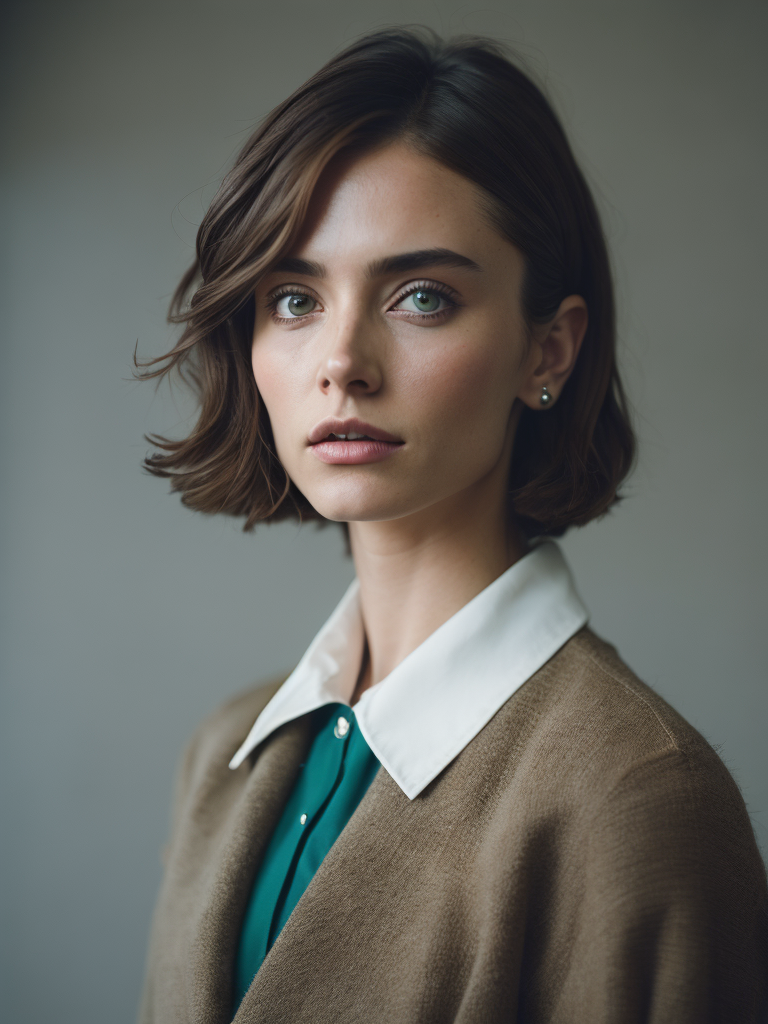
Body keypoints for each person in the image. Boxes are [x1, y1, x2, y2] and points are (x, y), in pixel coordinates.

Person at [136, 28, 768, 1024]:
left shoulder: (641, 800)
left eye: (421, 296)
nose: (342, 360)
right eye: (294, 297)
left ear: (547, 349)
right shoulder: (225, 751)